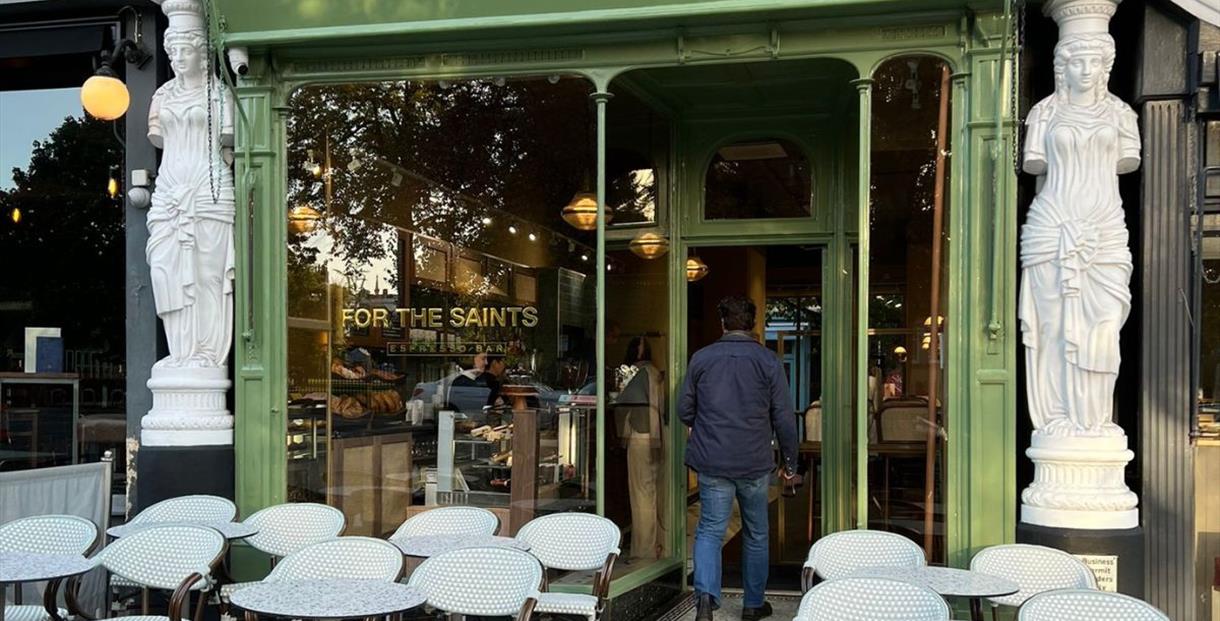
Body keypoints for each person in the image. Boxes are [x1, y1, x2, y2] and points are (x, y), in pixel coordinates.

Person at [679, 296, 799, 621]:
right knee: (756, 532)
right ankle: (752, 604)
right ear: (753, 324)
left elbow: (683, 410)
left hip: (713, 459)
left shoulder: (702, 359)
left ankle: (705, 601)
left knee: (709, 530)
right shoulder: (768, 361)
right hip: (754, 461)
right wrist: (791, 463)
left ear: (722, 323)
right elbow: (785, 418)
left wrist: (700, 426)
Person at [614, 336, 667, 560]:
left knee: (641, 494)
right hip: (658, 436)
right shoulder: (655, 373)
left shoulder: (636, 374)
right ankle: (658, 544)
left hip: (640, 436)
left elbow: (622, 402)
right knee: (655, 492)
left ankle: (643, 548)